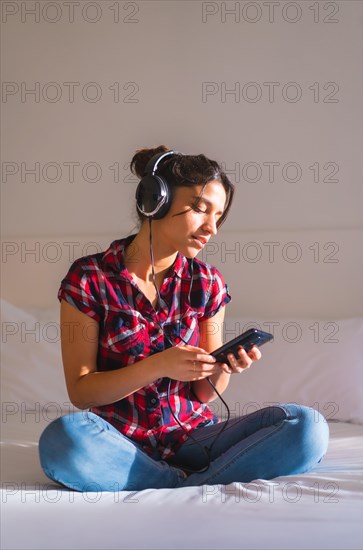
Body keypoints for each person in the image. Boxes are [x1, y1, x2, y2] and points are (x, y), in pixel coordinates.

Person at [39, 145, 329, 492]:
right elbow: (82, 392)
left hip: (194, 439)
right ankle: (182, 481)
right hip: (119, 443)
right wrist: (158, 365)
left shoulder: (208, 283)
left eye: (218, 216)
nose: (212, 228)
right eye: (200, 209)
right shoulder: (89, 277)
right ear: (155, 202)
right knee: (62, 440)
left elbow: (205, 394)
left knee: (307, 426)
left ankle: (181, 481)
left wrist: (223, 367)